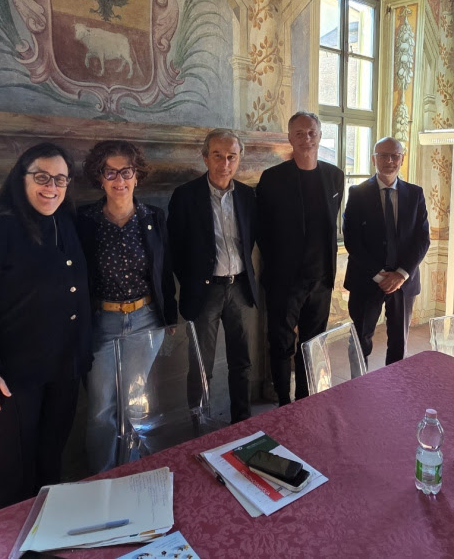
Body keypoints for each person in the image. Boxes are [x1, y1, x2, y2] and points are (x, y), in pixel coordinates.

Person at [0, 142, 92, 520]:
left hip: (60, 369)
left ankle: (38, 540)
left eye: (61, 179)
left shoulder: (64, 221)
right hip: (4, 378)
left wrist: (80, 355)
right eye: (42, 177)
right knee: (2, 479)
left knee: (47, 466)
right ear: (21, 178)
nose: (52, 187)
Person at [76, 140, 177, 473]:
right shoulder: (85, 220)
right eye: (110, 172)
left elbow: (164, 270)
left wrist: (169, 317)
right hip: (101, 322)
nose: (119, 180)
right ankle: (103, 478)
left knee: (133, 405)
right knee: (100, 409)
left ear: (137, 176)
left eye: (126, 172)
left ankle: (130, 472)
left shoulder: (153, 217)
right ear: (100, 177)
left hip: (145, 318)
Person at [168, 130, 259, 423]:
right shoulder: (185, 196)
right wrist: (194, 281)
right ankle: (199, 424)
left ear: (239, 159)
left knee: (242, 361)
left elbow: (250, 239)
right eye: (218, 155)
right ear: (205, 157)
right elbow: (175, 248)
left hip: (240, 288)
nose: (225, 163)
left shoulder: (247, 195)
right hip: (204, 292)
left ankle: (242, 421)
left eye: (232, 156)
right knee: (201, 365)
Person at [256, 111, 344, 405]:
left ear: (319, 136)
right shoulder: (272, 178)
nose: (306, 138)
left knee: (312, 343)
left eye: (311, 133)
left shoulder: (335, 177)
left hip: (321, 278)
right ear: (290, 138)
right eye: (299, 133)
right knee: (281, 344)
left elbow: (330, 226)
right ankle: (284, 402)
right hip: (285, 281)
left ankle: (305, 401)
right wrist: (279, 269)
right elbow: (262, 230)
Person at [343, 137, 430, 366]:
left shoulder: (415, 194)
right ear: (374, 159)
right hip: (366, 279)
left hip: (403, 282)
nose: (389, 161)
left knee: (399, 343)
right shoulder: (357, 193)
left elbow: (422, 239)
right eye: (383, 155)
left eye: (395, 156)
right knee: (360, 340)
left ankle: (394, 385)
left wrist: (401, 274)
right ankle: (358, 384)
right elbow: (352, 239)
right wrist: (379, 275)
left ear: (402, 158)